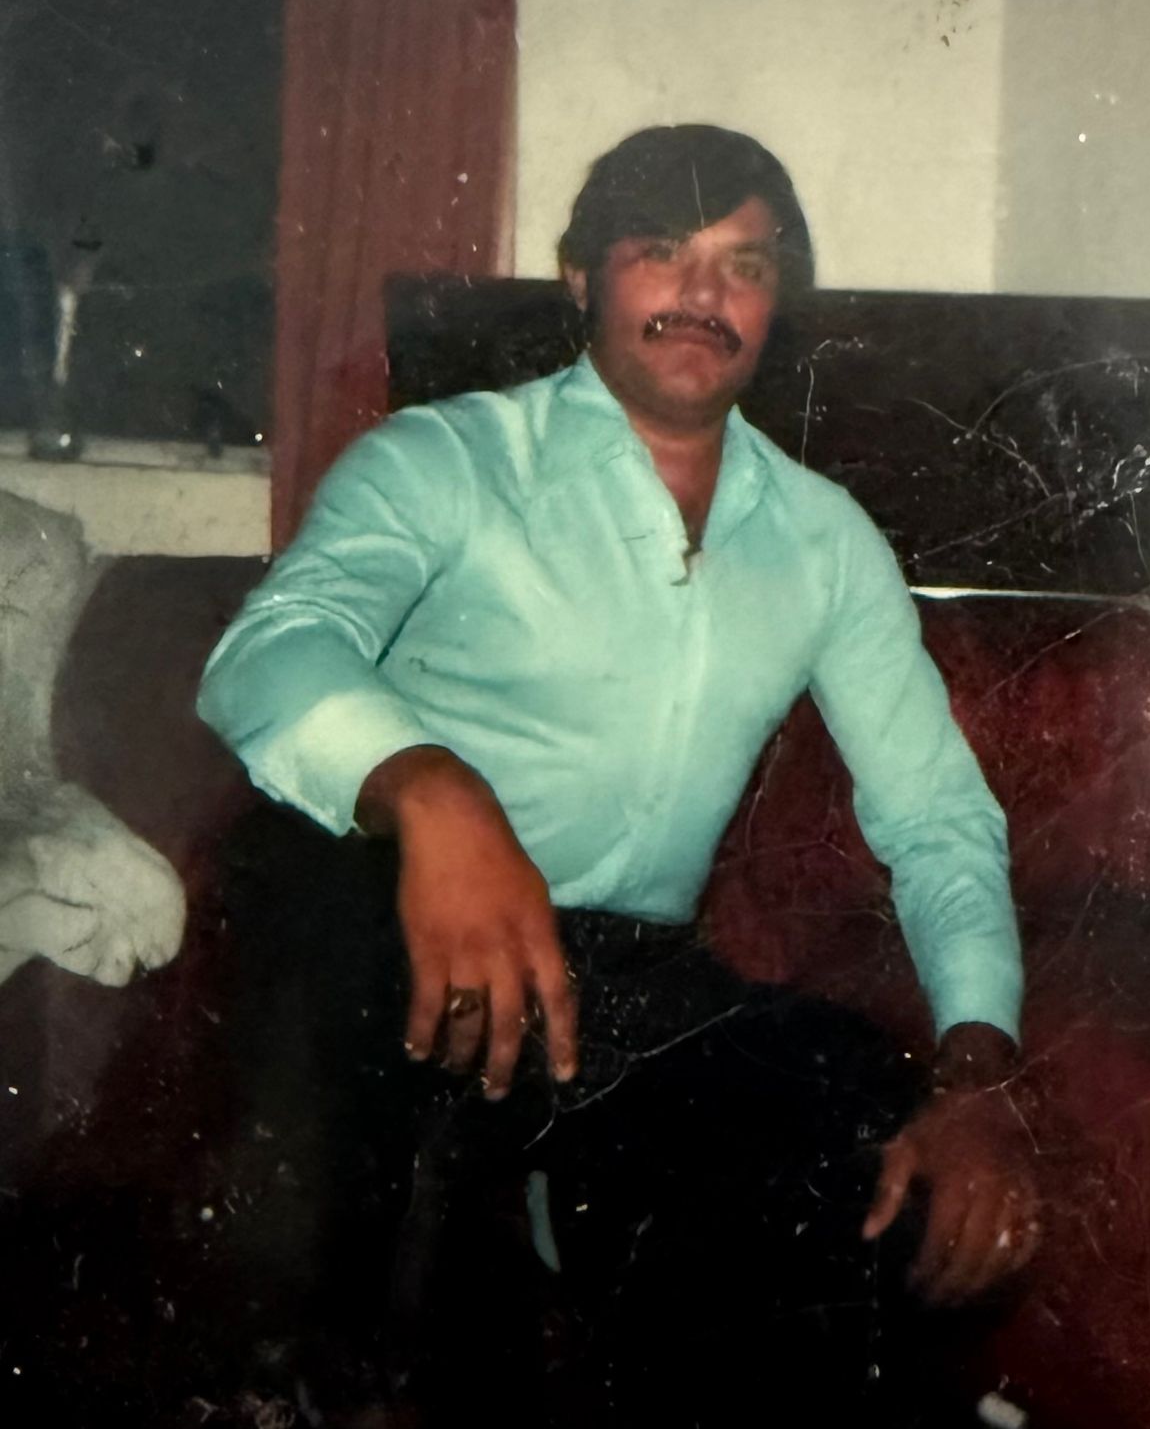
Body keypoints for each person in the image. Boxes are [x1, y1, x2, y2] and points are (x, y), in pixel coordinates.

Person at [198, 124, 1038, 1425]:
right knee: (403, 1229)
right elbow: (268, 652)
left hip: (624, 983)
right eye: (661, 251)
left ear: (776, 305)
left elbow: (935, 817)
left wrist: (979, 1077)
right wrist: (433, 791)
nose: (703, 295)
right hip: (392, 921)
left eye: (743, 264)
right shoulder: (446, 460)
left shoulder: (824, 541)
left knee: (854, 1113)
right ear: (581, 276)